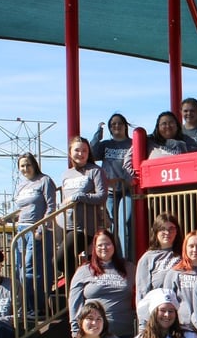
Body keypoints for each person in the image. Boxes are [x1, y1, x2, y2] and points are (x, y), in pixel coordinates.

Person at [69, 230, 136, 338]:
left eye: (108, 244)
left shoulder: (129, 268)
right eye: (100, 245)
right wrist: (75, 330)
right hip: (93, 333)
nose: (104, 247)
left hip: (124, 333)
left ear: (114, 246)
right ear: (94, 248)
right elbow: (74, 302)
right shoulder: (84, 270)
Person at [12, 152, 56, 315]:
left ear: (35, 165)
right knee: (20, 270)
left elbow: (51, 207)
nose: (25, 168)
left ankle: (37, 307)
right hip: (21, 230)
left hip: (36, 229)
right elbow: (22, 209)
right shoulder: (21, 185)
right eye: (22, 166)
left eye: (28, 164)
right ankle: (25, 307)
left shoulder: (45, 181)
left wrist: (41, 228)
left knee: (31, 269)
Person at [90, 113, 134, 257]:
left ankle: (125, 257)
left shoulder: (132, 143)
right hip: (110, 191)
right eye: (113, 124)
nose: (116, 126)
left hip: (127, 190)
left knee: (125, 221)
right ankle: (113, 256)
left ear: (125, 126)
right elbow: (92, 154)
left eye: (119, 123)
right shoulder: (106, 145)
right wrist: (98, 135)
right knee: (112, 224)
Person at [62, 135, 108, 250]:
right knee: (66, 262)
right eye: (77, 150)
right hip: (65, 223)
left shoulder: (95, 171)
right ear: (70, 152)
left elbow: (101, 196)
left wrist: (78, 196)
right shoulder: (66, 174)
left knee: (60, 260)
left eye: (84, 151)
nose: (80, 154)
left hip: (84, 227)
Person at [162, 229, 197, 330]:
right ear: (185, 248)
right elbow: (167, 301)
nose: (195, 250)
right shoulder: (174, 273)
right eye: (191, 246)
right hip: (182, 327)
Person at [134, 212, 182, 302]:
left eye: (171, 229)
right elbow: (142, 292)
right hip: (159, 310)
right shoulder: (147, 258)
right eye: (162, 229)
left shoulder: (184, 254)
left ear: (177, 231)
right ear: (156, 232)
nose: (167, 232)